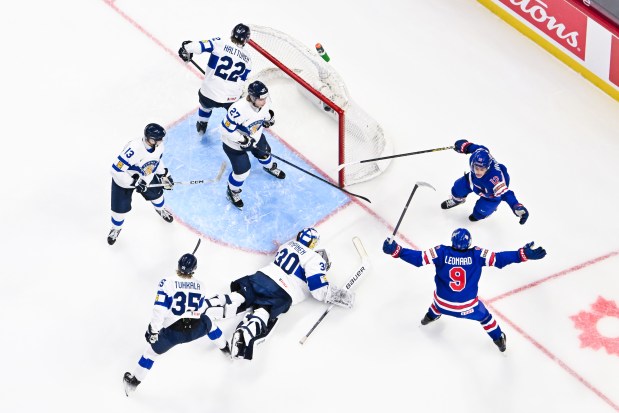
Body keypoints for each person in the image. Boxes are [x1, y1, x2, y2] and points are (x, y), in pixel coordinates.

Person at [382, 228, 546, 352]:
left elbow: (418, 259)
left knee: (438, 301)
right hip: (467, 307)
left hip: (441, 303)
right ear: (469, 243)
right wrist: (522, 254)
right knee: (486, 318)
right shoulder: (477, 254)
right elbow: (500, 259)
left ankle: (429, 317)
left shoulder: (440, 251)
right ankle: (499, 340)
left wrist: (397, 250)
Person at [219, 227, 354, 360]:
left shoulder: (288, 244)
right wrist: (342, 296)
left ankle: (210, 305)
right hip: (282, 291)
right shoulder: (314, 259)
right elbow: (319, 290)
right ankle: (245, 334)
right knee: (263, 311)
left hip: (261, 277)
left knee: (239, 296)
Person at [123, 251, 233, 396]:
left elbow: (159, 309)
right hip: (194, 328)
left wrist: (154, 331)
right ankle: (225, 348)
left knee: (149, 354)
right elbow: (199, 310)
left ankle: (133, 383)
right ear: (194, 269)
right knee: (210, 324)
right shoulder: (201, 286)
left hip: (172, 333)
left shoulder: (167, 283)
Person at [178, 23, 252, 135]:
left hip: (209, 93)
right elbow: (241, 82)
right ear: (246, 39)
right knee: (237, 112)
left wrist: (186, 48)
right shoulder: (248, 59)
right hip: (231, 98)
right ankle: (241, 132)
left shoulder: (220, 42)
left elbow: (195, 47)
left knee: (205, 107)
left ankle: (202, 125)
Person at [220, 80, 284, 210]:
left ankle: (269, 167)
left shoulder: (264, 102)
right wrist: (242, 140)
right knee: (242, 172)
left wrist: (268, 118)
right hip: (234, 145)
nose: (264, 101)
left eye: (265, 98)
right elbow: (224, 129)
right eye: (261, 99)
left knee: (265, 153)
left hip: (256, 136)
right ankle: (232, 191)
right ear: (253, 98)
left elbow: (265, 112)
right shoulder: (238, 109)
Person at [108, 123, 174, 245]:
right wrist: (133, 182)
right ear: (151, 139)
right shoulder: (133, 149)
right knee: (119, 210)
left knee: (157, 195)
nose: (161, 141)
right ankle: (115, 229)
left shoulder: (159, 146)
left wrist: (165, 175)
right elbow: (115, 170)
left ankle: (161, 210)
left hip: (145, 175)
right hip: (124, 180)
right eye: (159, 139)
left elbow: (156, 161)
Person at [441, 139, 529, 224]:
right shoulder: (479, 153)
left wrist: (516, 206)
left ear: (487, 167)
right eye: (476, 168)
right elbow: (474, 147)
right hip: (474, 182)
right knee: (458, 188)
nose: (478, 172)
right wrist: (464, 146)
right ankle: (457, 200)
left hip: (491, 195)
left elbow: (507, 194)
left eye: (482, 169)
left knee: (480, 212)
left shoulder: (495, 180)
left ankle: (480, 214)